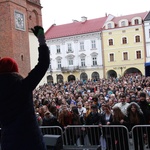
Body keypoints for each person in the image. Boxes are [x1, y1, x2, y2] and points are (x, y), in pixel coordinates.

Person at [0, 26, 49, 150]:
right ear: (16, 71)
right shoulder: (23, 86)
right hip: (30, 139)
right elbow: (43, 64)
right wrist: (41, 40)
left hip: (9, 142)